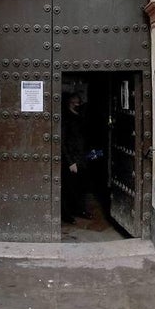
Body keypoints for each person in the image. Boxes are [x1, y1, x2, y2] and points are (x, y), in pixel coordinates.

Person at [61, 93, 89, 223]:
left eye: (79, 103)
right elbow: (63, 142)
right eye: (76, 103)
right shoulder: (66, 119)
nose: (79, 105)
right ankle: (66, 215)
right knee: (68, 187)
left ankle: (79, 209)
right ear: (70, 103)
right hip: (71, 159)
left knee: (80, 186)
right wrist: (70, 162)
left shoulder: (80, 117)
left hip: (81, 158)